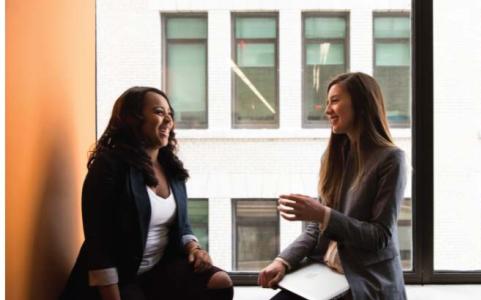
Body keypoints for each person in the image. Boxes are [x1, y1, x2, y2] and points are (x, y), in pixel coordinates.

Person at [60, 87, 233, 300]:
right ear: (132, 119)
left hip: (158, 271)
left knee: (219, 283)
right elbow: (99, 244)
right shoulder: (109, 166)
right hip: (119, 279)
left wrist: (194, 247)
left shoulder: (172, 168)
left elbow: (182, 224)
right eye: (159, 112)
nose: (169, 121)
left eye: (170, 114)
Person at [258, 72, 408, 299]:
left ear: (361, 103)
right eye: (328, 102)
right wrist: (283, 261)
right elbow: (317, 227)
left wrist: (324, 214)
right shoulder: (335, 156)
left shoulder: (391, 159)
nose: (327, 110)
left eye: (335, 101)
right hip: (326, 272)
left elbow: (379, 236)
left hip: (365, 277)